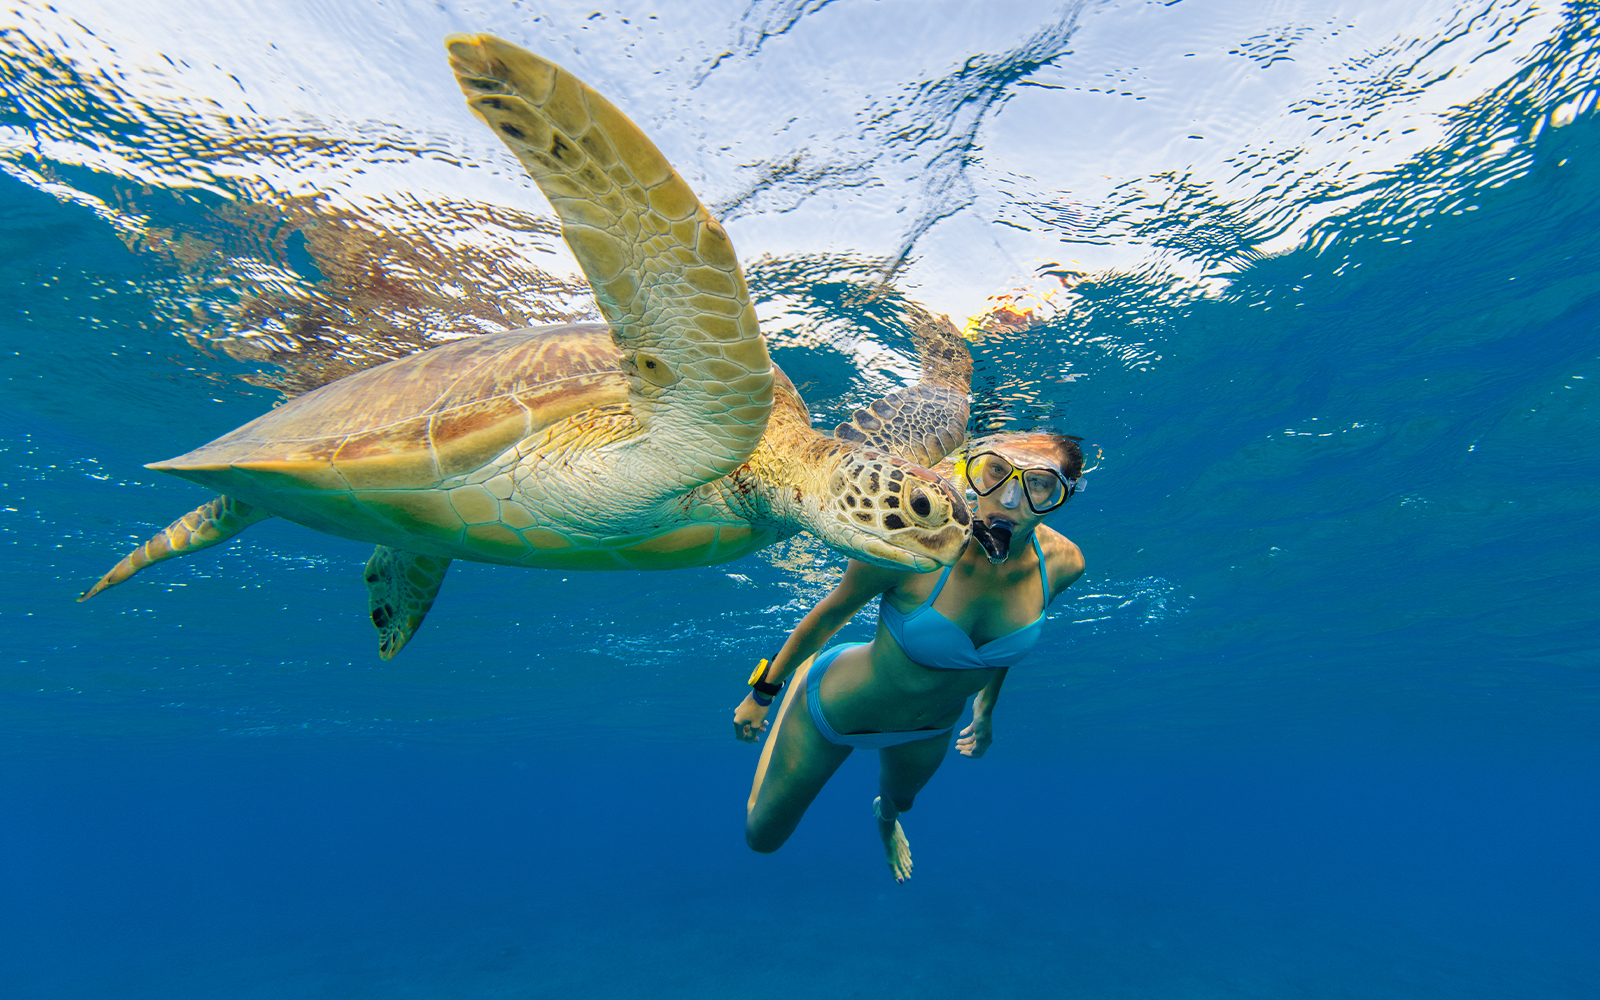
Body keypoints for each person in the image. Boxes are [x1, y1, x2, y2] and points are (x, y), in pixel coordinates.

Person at [733, 432, 1087, 881]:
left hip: (930, 731)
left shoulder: (1064, 564)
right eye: (996, 471)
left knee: (900, 804)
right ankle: (805, 677)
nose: (1009, 497)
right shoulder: (914, 537)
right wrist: (762, 694)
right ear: (974, 471)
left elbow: (1001, 649)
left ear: (1062, 496)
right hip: (835, 710)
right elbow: (829, 614)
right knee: (761, 838)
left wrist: (986, 709)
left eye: (1038, 484)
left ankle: (886, 821)